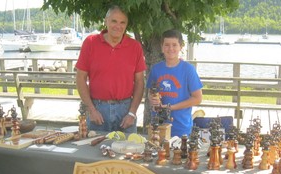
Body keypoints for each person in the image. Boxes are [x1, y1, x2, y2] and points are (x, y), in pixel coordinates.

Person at [75, 5, 146, 133]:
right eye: (114, 21)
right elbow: (80, 78)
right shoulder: (90, 43)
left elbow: (140, 81)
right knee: (95, 151)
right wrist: (91, 109)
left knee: (129, 150)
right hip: (97, 109)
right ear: (106, 21)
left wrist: (132, 113)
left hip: (126, 110)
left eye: (122, 22)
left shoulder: (135, 47)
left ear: (126, 25)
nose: (118, 26)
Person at [146, 29, 203, 137]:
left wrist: (170, 107)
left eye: (174, 45)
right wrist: (152, 99)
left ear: (180, 46)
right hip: (158, 127)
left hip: (181, 128)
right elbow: (150, 92)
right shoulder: (156, 69)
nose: (170, 48)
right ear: (162, 47)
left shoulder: (188, 69)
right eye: (166, 45)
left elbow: (198, 98)